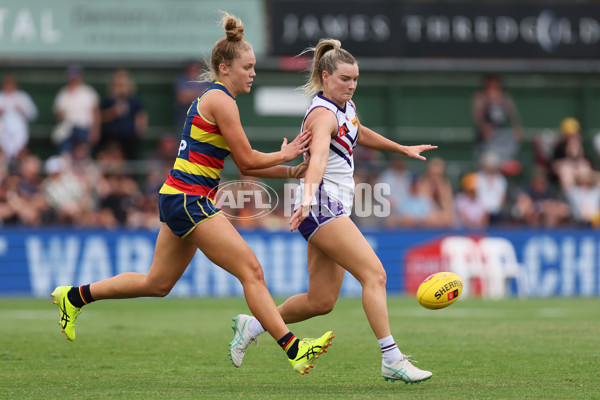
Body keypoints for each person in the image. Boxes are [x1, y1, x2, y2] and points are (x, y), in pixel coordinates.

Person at [51, 13, 333, 376]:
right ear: (224, 67)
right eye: (247, 67)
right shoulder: (221, 101)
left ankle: (74, 297)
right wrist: (288, 153)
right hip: (188, 199)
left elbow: (247, 165)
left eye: (254, 67)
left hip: (176, 196)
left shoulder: (215, 99)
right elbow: (248, 160)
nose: (253, 73)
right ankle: (294, 349)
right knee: (252, 271)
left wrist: (293, 169)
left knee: (157, 283)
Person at [229, 39, 437, 384]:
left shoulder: (345, 107)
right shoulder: (323, 115)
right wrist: (308, 199)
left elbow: (358, 132)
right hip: (323, 205)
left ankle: (251, 325)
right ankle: (391, 357)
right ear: (325, 77)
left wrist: (400, 148)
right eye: (344, 79)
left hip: (329, 206)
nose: (351, 85)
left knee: (320, 301)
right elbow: (319, 160)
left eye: (355, 79)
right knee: (376, 275)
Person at [471, 74, 523, 170]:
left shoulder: (504, 97)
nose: (493, 88)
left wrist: (517, 128)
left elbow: (513, 114)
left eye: (495, 85)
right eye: (491, 85)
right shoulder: (481, 97)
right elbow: (477, 116)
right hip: (487, 140)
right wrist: (484, 127)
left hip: (502, 136)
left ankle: (504, 164)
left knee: (511, 142)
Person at [98, 69, 148, 160]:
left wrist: (140, 131)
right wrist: (114, 112)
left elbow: (141, 116)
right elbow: (101, 117)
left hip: (130, 138)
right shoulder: (108, 100)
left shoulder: (134, 99)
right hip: (111, 136)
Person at [52, 65, 100, 155]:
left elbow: (95, 112)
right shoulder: (63, 93)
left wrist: (95, 130)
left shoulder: (88, 92)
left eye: (76, 76)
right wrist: (60, 114)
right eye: (72, 76)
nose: (74, 79)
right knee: (65, 155)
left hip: (84, 128)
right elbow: (56, 113)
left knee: (83, 155)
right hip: (67, 129)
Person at [0, 74, 38, 163]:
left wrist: (21, 109)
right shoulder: (0, 97)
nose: (9, 86)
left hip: (19, 131)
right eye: (7, 84)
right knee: (5, 155)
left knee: (20, 154)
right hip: (3, 132)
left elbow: (33, 114)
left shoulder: (22, 96)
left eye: (11, 84)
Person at [173, 60, 211, 132]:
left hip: (202, 119)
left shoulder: (205, 81)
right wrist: (200, 93)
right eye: (192, 69)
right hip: (183, 118)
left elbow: (208, 97)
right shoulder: (181, 79)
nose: (194, 71)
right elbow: (182, 97)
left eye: (197, 69)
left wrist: (189, 94)